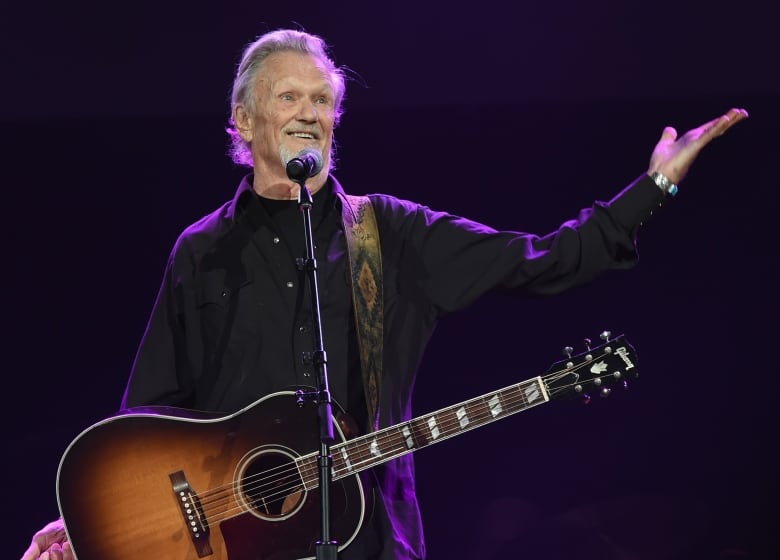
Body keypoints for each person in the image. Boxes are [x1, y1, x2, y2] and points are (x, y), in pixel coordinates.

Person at [20, 28, 748, 560]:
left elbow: (542, 260)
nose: (310, 111)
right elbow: (146, 417)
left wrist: (655, 187)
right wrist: (100, 530)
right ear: (245, 122)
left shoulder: (390, 233)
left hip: (371, 544)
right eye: (289, 97)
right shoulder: (200, 251)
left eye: (322, 99)